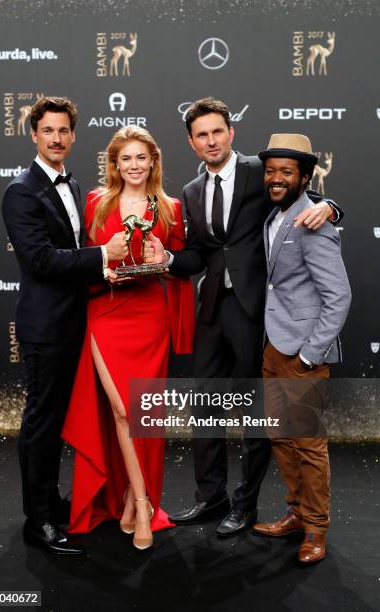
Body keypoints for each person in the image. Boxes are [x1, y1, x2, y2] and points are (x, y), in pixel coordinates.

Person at [144, 97, 343, 536]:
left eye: (218, 131)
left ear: (231, 133)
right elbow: (199, 254)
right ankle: (209, 497)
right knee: (207, 406)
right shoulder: (193, 192)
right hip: (213, 308)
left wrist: (332, 207)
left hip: (258, 311)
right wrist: (167, 259)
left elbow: (302, 195)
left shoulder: (262, 170)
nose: (211, 140)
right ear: (192, 143)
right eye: (201, 135)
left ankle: (244, 505)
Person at [2, 96, 126, 555]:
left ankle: (53, 505)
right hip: (46, 327)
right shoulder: (20, 190)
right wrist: (101, 257)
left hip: (76, 323)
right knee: (42, 423)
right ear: (33, 135)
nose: (56, 138)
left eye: (63, 131)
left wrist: (102, 270)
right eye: (47, 131)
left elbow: (69, 254)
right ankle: (39, 522)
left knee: (57, 421)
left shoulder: (71, 186)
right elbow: (38, 261)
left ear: (73, 136)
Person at [62, 126, 195, 550]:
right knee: (121, 409)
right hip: (105, 311)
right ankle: (141, 502)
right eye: (126, 159)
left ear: (153, 161)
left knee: (141, 414)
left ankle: (130, 496)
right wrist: (104, 267)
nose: (134, 166)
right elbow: (83, 259)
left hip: (149, 317)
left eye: (142, 158)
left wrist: (165, 258)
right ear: (115, 164)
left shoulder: (170, 208)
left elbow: (184, 262)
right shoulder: (97, 204)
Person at [252, 133, 351, 563]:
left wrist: (310, 354)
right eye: (271, 171)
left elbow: (339, 296)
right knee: (281, 436)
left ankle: (316, 529)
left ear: (305, 177)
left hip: (302, 354)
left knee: (307, 443)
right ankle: (296, 514)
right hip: (273, 346)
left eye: (285, 172)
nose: (276, 179)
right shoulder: (274, 215)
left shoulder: (314, 221)